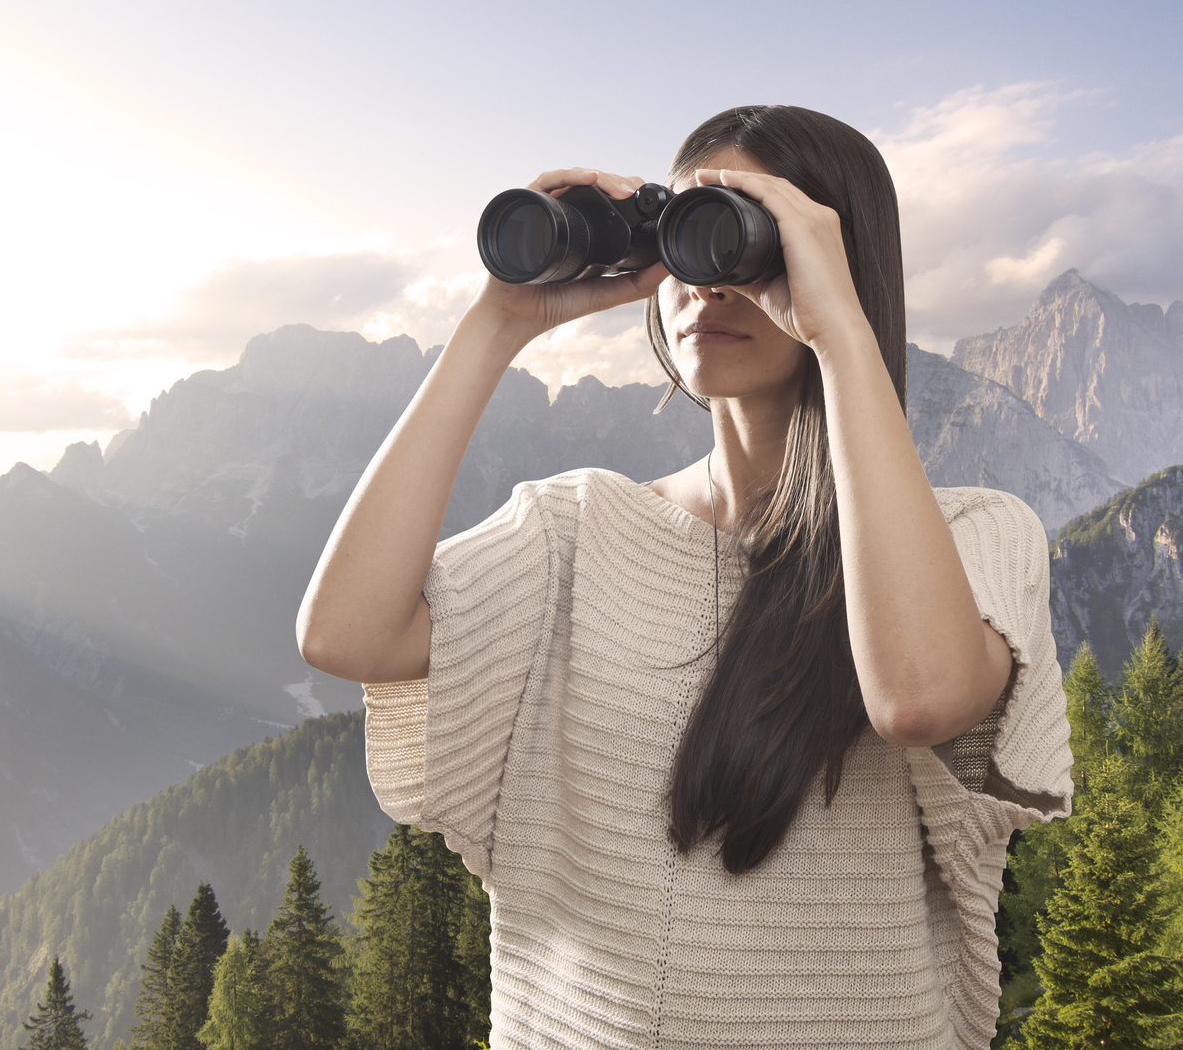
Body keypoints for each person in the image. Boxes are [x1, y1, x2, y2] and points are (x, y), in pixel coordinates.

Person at [296, 105, 1072, 1050]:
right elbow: (344, 633)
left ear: (836, 264)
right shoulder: (576, 529)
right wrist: (498, 321)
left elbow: (916, 697)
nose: (706, 283)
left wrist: (843, 336)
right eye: (684, 241)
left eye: (744, 242)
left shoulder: (976, 536)